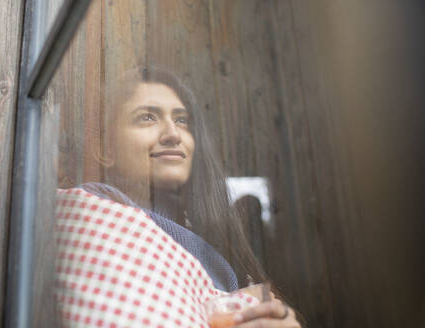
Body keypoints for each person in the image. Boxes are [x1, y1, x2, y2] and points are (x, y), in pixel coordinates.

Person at [57, 66, 301, 327]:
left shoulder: (210, 245)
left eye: (182, 120)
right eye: (147, 118)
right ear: (104, 149)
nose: (173, 134)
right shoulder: (89, 215)